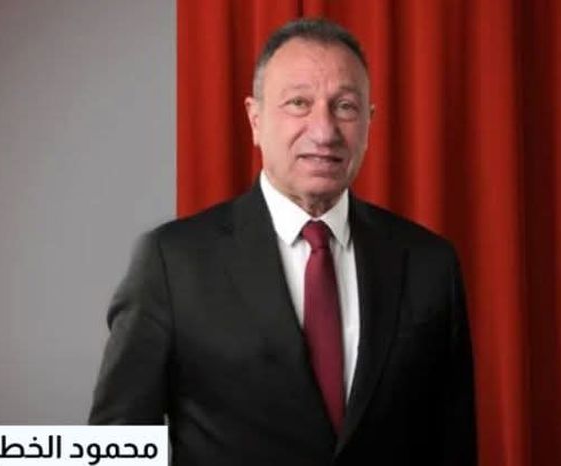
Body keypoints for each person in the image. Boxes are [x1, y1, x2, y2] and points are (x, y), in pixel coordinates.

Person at [89, 18, 476, 466]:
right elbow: (116, 447)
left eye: (345, 107)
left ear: (369, 122)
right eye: (298, 103)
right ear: (255, 120)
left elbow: (452, 445)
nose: (324, 131)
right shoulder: (172, 263)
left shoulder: (430, 264)